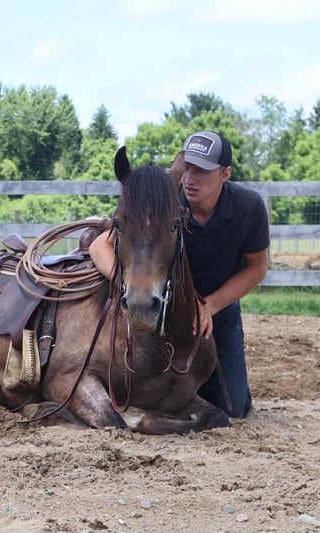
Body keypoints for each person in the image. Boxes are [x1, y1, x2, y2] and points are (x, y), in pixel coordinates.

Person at [89, 131, 269, 417]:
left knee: (233, 408)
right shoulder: (165, 198)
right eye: (188, 169)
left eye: (201, 172)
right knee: (158, 394)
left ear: (225, 173)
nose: (190, 179)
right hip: (164, 309)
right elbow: (100, 246)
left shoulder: (248, 208)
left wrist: (210, 306)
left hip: (218, 309)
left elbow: (257, 268)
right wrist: (127, 286)